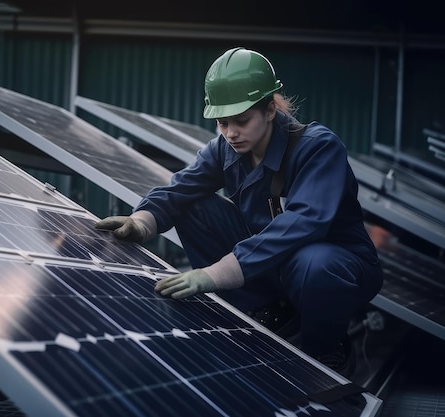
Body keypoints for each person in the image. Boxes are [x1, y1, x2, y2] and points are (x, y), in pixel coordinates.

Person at [95, 47, 383, 376]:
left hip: (335, 267)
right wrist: (140, 221)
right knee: (195, 205)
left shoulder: (318, 147)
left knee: (312, 262)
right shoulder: (224, 150)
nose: (231, 132)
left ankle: (326, 349)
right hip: (272, 265)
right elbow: (179, 190)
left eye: (242, 120)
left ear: (270, 109)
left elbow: (304, 223)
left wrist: (215, 274)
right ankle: (267, 311)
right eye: (222, 122)